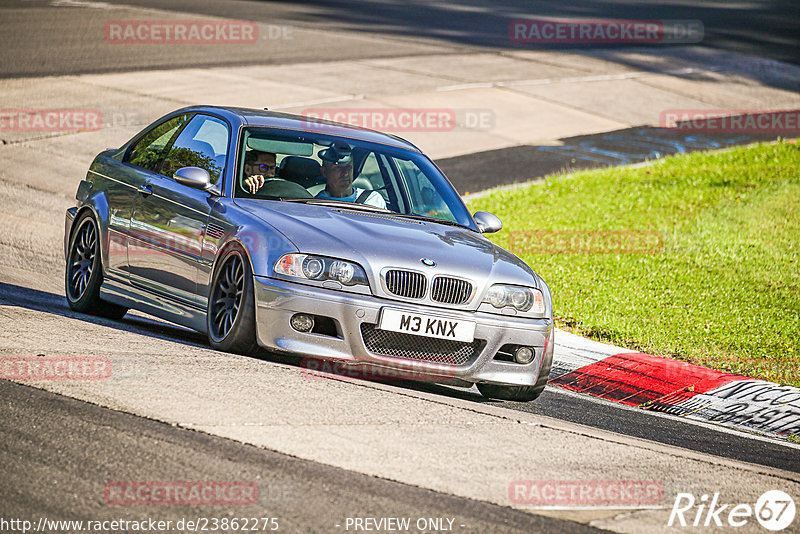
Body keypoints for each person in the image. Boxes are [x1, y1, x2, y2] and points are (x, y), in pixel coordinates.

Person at [315, 142, 387, 209]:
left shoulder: (373, 200)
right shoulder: (315, 205)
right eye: (338, 168)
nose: (345, 173)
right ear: (324, 172)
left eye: (349, 167)